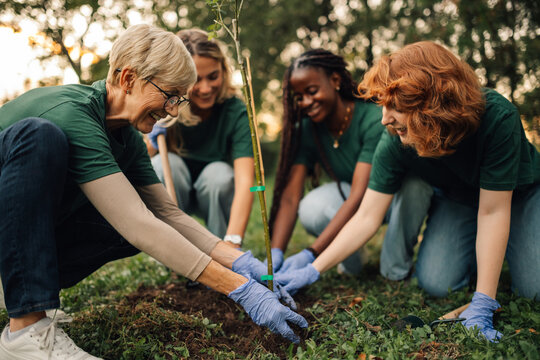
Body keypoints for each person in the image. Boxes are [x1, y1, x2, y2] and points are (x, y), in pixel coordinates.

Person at [0, 24, 306, 359]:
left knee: (127, 231)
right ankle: (27, 328)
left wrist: (243, 263)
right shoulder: (73, 113)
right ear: (129, 78)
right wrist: (241, 290)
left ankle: (22, 293)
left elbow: (167, 214)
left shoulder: (124, 135)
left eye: (180, 99)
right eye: (170, 95)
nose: (174, 110)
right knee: (39, 136)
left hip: (13, 253)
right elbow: (137, 221)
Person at [274, 41, 540, 343]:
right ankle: (486, 259)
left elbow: (494, 210)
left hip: (518, 195)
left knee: (535, 289)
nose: (384, 118)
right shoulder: (395, 138)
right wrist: (313, 269)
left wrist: (483, 303)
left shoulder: (496, 117)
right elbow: (366, 217)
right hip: (462, 201)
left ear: (429, 100)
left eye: (394, 105)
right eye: (382, 106)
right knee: (437, 282)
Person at [268, 49, 431, 277]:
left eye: (312, 91)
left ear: (335, 81)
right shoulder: (307, 130)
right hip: (354, 201)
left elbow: (359, 195)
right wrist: (275, 252)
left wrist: (312, 254)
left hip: (392, 199)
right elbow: (289, 197)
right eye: (299, 97)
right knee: (311, 207)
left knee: (392, 270)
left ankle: (395, 264)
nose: (306, 102)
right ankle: (352, 262)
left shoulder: (372, 119)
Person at [147, 29, 254, 247]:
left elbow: (245, 182)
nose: (206, 89)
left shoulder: (236, 110)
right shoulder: (166, 105)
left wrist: (233, 242)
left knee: (219, 175)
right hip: (178, 190)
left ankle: (222, 250)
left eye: (213, 76)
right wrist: (149, 139)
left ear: (224, 70)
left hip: (213, 192)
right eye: (196, 79)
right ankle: (176, 249)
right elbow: (138, 163)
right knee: (163, 164)